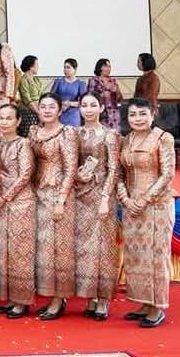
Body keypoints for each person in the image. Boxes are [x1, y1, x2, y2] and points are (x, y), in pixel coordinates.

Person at [117, 98, 175, 328]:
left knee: (155, 257)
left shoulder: (163, 138)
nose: (138, 119)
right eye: (133, 115)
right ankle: (144, 303)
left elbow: (167, 174)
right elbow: (119, 174)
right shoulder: (126, 140)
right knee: (136, 257)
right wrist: (125, 199)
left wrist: (145, 199)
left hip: (157, 205)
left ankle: (157, 308)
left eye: (142, 114)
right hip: (131, 207)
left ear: (152, 115)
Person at [29, 92, 79, 320]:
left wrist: (61, 199)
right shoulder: (33, 132)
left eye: (51, 106)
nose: (47, 110)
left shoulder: (67, 132)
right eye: (43, 106)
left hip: (59, 193)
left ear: (60, 110)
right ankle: (50, 295)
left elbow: (70, 168)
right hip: (38, 193)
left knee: (59, 248)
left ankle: (59, 299)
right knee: (44, 248)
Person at [75, 92, 119, 321]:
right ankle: (90, 296)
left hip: (102, 195)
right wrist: (77, 175)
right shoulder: (75, 133)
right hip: (79, 195)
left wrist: (105, 198)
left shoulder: (110, 135)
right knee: (84, 248)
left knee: (102, 247)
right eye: (84, 105)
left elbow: (114, 169)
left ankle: (103, 299)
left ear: (101, 108)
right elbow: (70, 164)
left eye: (93, 105)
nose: (88, 109)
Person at [0, 104, 36, 319]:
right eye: (1, 118)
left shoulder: (23, 144)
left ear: (18, 122)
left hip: (21, 204)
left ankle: (22, 301)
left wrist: (5, 198)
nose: (4, 122)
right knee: (3, 252)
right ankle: (10, 297)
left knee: (20, 253)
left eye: (9, 118)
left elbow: (25, 175)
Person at [50, 58, 87, 127]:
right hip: (60, 112)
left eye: (68, 67)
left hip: (74, 114)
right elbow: (51, 97)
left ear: (75, 69)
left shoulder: (81, 83)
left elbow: (84, 102)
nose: (66, 70)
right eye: (64, 67)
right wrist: (61, 104)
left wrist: (69, 103)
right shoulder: (58, 81)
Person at [88, 59, 122, 130]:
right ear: (100, 67)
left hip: (113, 114)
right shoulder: (94, 80)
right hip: (100, 113)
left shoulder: (113, 81)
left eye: (109, 66)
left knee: (114, 134)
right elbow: (90, 97)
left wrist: (116, 91)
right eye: (106, 66)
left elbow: (120, 99)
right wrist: (102, 95)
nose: (108, 68)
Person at [17, 55, 43, 136]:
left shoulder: (36, 80)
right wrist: (38, 113)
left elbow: (42, 95)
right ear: (31, 67)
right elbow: (27, 99)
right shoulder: (24, 79)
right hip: (29, 112)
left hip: (40, 110)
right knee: (30, 134)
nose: (38, 67)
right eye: (37, 65)